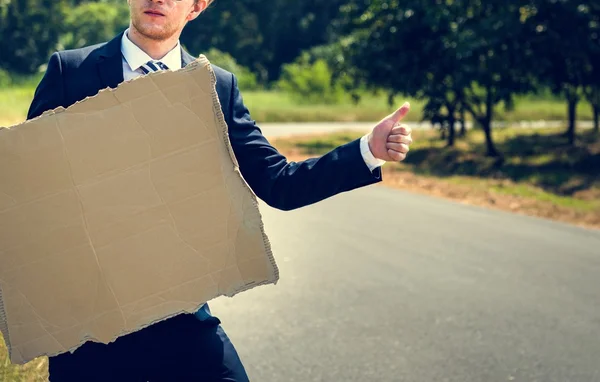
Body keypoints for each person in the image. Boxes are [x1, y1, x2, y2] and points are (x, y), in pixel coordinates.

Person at [27, 0, 414, 380]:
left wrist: (367, 151)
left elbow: (279, 183)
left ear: (196, 7)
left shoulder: (217, 87)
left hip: (181, 313)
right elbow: (29, 186)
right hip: (94, 320)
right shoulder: (71, 71)